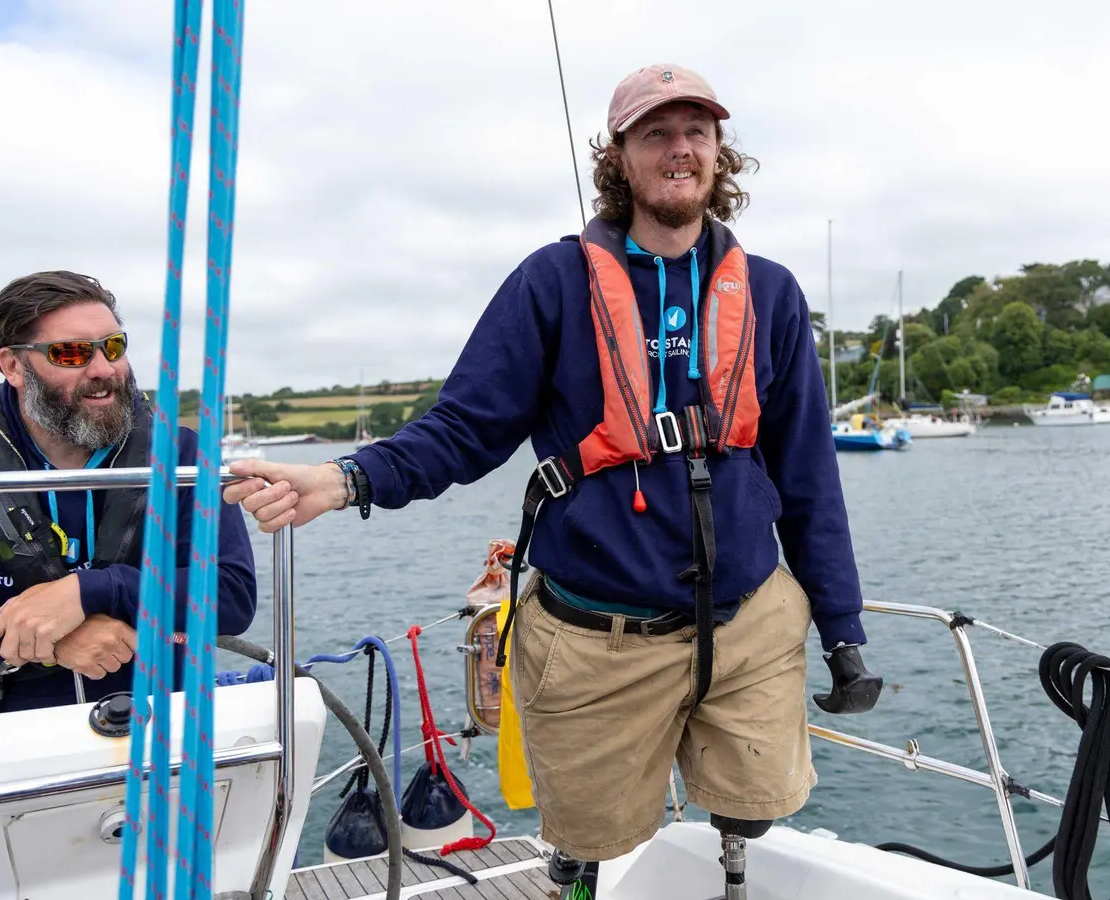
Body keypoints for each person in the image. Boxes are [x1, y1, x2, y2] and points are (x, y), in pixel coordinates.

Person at [223, 64, 881, 895]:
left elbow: (810, 477)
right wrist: (346, 478)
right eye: (656, 134)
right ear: (620, 156)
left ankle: (735, 866)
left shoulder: (774, 296)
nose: (680, 149)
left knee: (755, 805)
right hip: (598, 639)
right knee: (589, 838)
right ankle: (575, 872)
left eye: (697, 133)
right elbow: (463, 430)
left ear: (720, 153)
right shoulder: (552, 284)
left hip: (750, 624)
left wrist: (843, 630)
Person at [0, 271, 258, 714]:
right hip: (1, 752)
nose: (103, 370)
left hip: (161, 729)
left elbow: (230, 596)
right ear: (13, 366)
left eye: (114, 347)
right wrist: (45, 639)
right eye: (72, 353)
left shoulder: (183, 458)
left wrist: (93, 591)